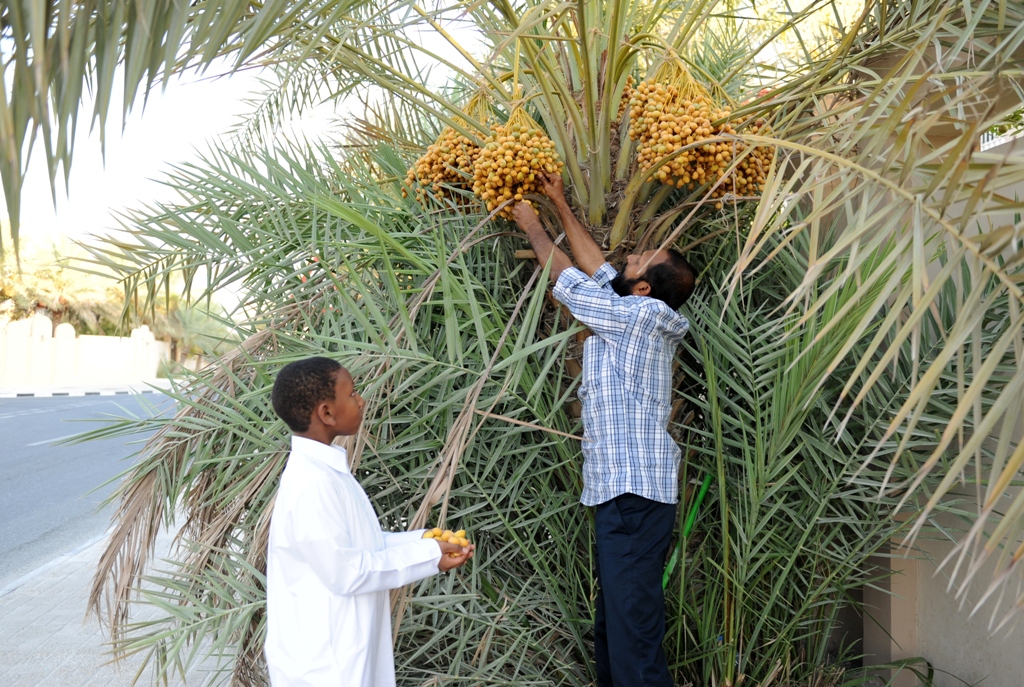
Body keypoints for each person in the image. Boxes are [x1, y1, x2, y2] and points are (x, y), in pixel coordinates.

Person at [511, 174, 695, 687]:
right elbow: (597, 274)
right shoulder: (631, 310)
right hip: (622, 494)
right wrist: (558, 202)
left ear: (643, 289)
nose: (629, 257)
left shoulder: (641, 317)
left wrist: (531, 226)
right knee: (614, 629)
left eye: (638, 261)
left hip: (633, 495)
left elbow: (570, 281)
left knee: (633, 634)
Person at [264, 356, 474, 687]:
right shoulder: (311, 484)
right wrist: (429, 554)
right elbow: (348, 572)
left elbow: (364, 546)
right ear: (327, 413)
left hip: (344, 657)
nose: (361, 400)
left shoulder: (326, 472)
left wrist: (426, 542)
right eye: (352, 394)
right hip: (324, 668)